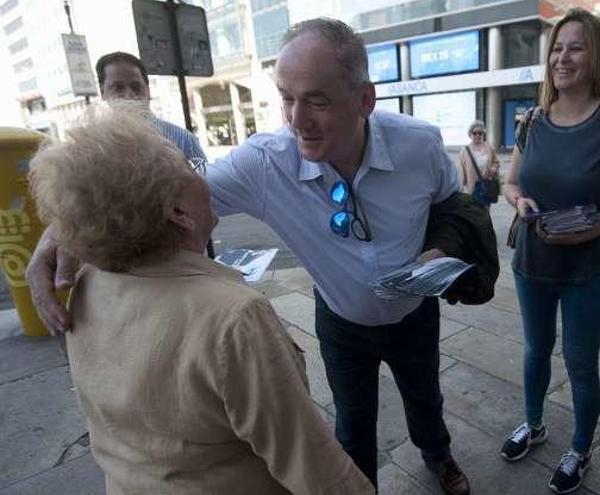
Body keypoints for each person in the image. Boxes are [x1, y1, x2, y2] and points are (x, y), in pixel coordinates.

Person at [27, 18, 475, 495]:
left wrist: (442, 249)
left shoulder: (419, 144)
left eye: (317, 100)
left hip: (414, 313)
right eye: (286, 97)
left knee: (425, 398)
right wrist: (62, 232)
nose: (296, 119)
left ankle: (438, 457)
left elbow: (452, 204)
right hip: (342, 322)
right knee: (351, 424)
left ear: (365, 99)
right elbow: (153, 200)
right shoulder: (266, 163)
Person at [27, 108, 373, 495]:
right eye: (191, 167)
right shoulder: (233, 317)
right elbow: (314, 468)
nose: (204, 177)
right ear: (178, 212)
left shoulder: (89, 283)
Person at [499, 8, 600, 494]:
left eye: (575, 47)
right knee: (535, 350)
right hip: (533, 262)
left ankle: (580, 448)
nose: (563, 57)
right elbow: (511, 180)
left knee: (581, 362)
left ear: (596, 54)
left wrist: (584, 233)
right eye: (557, 48)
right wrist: (520, 200)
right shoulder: (532, 120)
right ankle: (534, 424)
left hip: (589, 266)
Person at [94, 51, 206, 163]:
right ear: (102, 91)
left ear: (148, 90)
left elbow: (204, 178)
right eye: (118, 88)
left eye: (136, 87)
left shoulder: (184, 140)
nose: (129, 96)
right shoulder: (94, 146)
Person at [458, 120, 500, 207]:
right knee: (473, 211)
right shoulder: (464, 151)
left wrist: (493, 169)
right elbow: (461, 172)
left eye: (480, 133)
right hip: (472, 187)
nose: (477, 135)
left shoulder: (489, 148)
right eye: (475, 133)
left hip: (486, 185)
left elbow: (496, 162)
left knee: (486, 211)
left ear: (483, 134)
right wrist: (461, 187)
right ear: (470, 134)